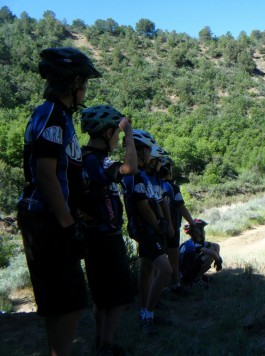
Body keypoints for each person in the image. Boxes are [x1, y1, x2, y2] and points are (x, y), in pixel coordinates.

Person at [16, 47, 101, 356]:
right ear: (73, 82)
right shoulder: (53, 115)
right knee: (71, 303)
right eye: (85, 83)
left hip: (47, 217)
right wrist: (68, 224)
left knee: (57, 303)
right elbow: (46, 174)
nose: (85, 90)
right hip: (48, 219)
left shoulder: (56, 116)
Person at [80, 105, 137, 355]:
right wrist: (130, 136)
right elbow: (130, 168)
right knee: (120, 294)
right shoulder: (96, 160)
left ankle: (100, 341)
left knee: (101, 295)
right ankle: (106, 344)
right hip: (104, 236)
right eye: (115, 133)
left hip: (93, 235)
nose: (117, 138)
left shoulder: (82, 157)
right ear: (107, 133)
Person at [121, 130, 172, 336]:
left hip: (148, 229)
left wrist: (163, 221)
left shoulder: (147, 177)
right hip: (144, 229)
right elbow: (143, 206)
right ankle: (148, 315)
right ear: (142, 152)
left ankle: (144, 309)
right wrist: (160, 226)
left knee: (146, 268)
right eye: (149, 151)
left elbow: (156, 203)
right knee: (165, 270)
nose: (152, 156)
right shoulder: (137, 176)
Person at [158, 156, 194, 296]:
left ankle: (167, 286)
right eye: (170, 168)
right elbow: (181, 207)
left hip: (157, 228)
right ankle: (172, 286)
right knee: (173, 259)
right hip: (172, 226)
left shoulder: (155, 184)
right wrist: (192, 223)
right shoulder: (172, 187)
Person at [179, 219, 223, 290]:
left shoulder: (194, 242)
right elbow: (212, 253)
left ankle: (198, 276)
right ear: (197, 232)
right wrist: (218, 261)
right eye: (202, 229)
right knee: (210, 255)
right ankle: (195, 279)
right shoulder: (193, 244)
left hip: (186, 270)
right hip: (185, 274)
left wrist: (217, 259)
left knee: (212, 248)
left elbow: (216, 245)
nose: (204, 231)